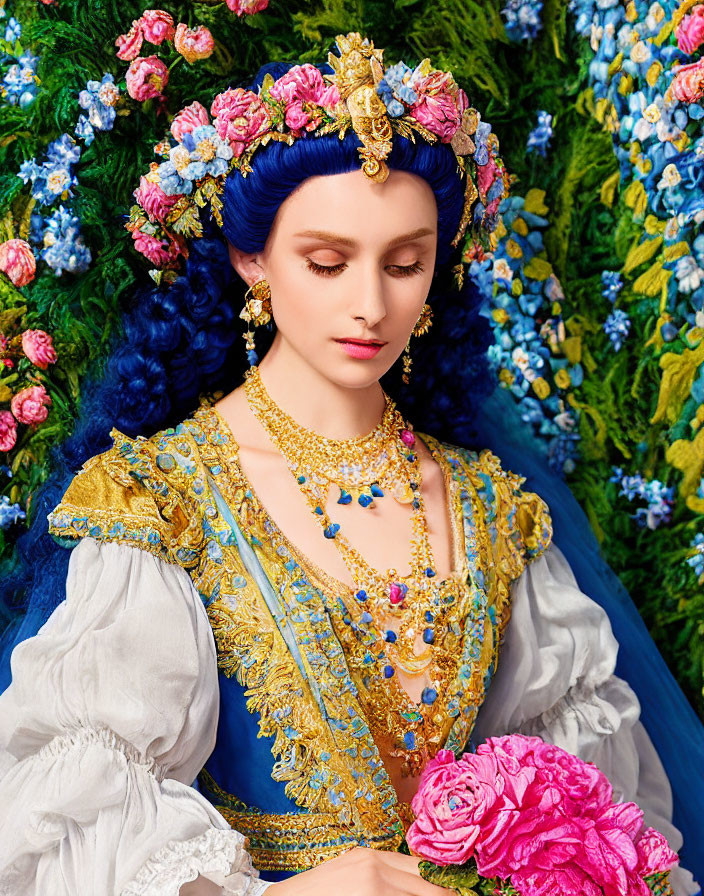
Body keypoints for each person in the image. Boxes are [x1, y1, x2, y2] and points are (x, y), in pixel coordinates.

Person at [0, 32, 700, 896]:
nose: (371, 305)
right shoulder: (165, 499)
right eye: (326, 262)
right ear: (250, 259)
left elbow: (594, 814)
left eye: (406, 264)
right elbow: (80, 825)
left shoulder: (492, 507)